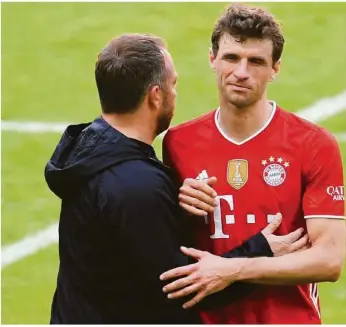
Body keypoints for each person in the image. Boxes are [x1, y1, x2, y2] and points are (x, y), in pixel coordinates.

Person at [44, 33, 305, 324]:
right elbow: (180, 289)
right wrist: (261, 251)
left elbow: (126, 243)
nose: (175, 93)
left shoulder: (89, 151)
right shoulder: (136, 185)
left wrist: (176, 204)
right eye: (173, 84)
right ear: (155, 96)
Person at [161, 3, 345, 325]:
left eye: (256, 61)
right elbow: (166, 239)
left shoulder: (314, 144)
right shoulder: (178, 143)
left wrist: (233, 269)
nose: (242, 72)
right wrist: (177, 202)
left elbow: (330, 261)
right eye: (231, 58)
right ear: (212, 59)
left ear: (275, 68)